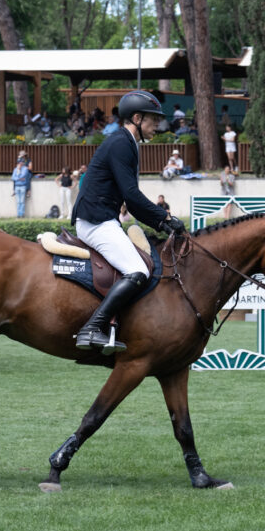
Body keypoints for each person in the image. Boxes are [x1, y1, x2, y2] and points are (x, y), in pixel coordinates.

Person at [70, 90, 185, 353]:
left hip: (101, 219)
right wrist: (165, 217)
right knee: (138, 270)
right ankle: (92, 329)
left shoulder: (127, 142)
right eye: (153, 120)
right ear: (136, 118)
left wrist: (163, 224)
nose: (157, 125)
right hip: (96, 221)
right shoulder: (122, 143)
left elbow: (131, 200)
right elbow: (132, 196)